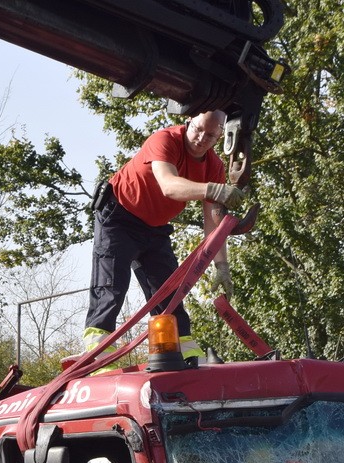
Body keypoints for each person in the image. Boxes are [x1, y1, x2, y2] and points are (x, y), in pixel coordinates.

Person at [82, 110, 244, 362]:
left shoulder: (214, 167)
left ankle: (186, 356)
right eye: (198, 129)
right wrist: (213, 190)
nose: (201, 138)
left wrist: (221, 266)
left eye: (210, 135)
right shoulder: (164, 140)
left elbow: (214, 225)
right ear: (188, 121)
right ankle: (97, 354)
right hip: (119, 217)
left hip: (155, 228)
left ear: (220, 137)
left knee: (170, 293)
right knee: (111, 288)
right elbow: (169, 185)